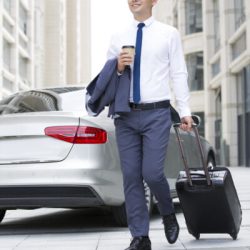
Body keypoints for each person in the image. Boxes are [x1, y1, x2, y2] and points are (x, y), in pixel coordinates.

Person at [107, 0, 193, 249]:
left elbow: (178, 73)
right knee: (131, 177)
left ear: (154, 1)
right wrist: (119, 66)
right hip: (126, 115)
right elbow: (108, 76)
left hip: (157, 113)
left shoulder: (169, 34)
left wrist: (185, 110)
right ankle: (140, 237)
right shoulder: (118, 35)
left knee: (152, 173)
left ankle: (167, 212)